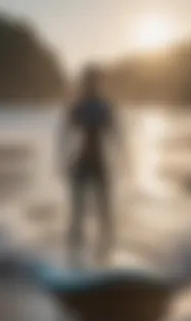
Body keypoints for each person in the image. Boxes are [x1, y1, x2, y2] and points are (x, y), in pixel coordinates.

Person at [59, 63, 124, 268]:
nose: (92, 84)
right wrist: (63, 161)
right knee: (77, 213)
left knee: (105, 212)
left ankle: (107, 258)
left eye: (96, 80)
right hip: (80, 164)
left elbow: (116, 134)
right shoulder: (77, 106)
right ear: (84, 82)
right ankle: (73, 259)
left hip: (100, 164)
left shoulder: (105, 107)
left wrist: (123, 159)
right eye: (89, 81)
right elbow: (65, 135)